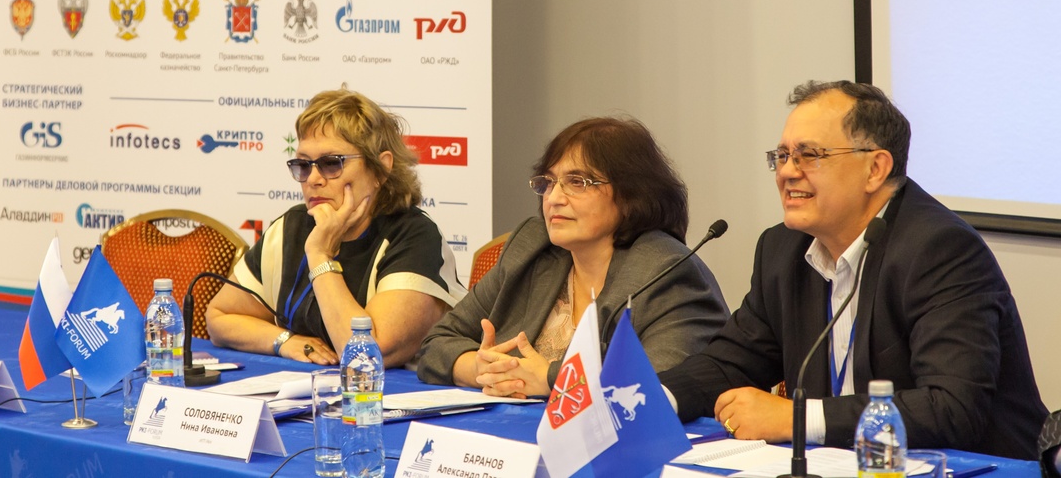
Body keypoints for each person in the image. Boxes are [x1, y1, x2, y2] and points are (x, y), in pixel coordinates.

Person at [659, 80, 1047, 459]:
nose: (787, 172)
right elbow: (729, 363)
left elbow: (950, 408)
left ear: (875, 169)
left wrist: (797, 419)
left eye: (809, 155)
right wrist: (648, 402)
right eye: (782, 155)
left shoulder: (941, 250)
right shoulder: (782, 249)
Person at [416, 116, 728, 396]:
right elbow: (436, 343)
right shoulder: (534, 248)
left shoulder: (667, 270)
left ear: (631, 195)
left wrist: (550, 379)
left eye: (577, 182)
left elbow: (659, 383)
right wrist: (483, 369)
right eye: (549, 183)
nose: (553, 198)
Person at [205, 88, 465, 367]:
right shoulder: (291, 227)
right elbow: (219, 317)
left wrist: (320, 255)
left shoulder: (414, 237)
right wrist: (284, 341)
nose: (313, 179)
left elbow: (368, 354)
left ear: (380, 169)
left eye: (331, 164)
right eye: (304, 165)